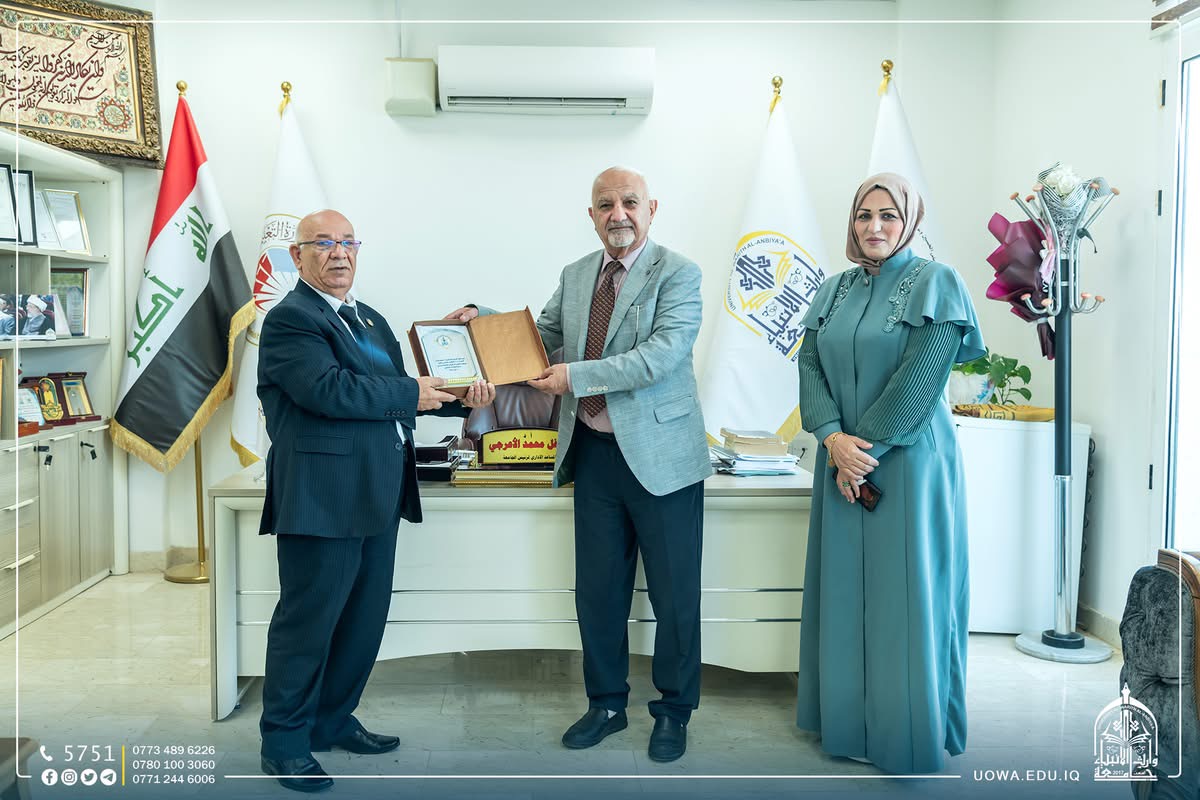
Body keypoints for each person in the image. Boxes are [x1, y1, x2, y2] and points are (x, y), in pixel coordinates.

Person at [446, 166, 711, 762]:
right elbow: (539, 337)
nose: (618, 214)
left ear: (652, 209)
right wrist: (480, 319)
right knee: (598, 591)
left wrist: (575, 377)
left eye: (629, 202)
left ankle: (674, 711)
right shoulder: (575, 274)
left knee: (674, 596)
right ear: (591, 215)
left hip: (663, 459)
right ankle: (606, 704)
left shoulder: (679, 273)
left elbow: (660, 356)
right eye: (605, 204)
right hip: (592, 454)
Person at [256, 209, 494, 793]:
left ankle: (332, 721)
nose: (339, 253)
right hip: (322, 497)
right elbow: (329, 390)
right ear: (298, 256)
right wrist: (411, 391)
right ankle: (283, 743)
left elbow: (401, 392)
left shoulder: (369, 318)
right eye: (323, 243)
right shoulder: (291, 320)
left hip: (378, 491)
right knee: (308, 623)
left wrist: (464, 395)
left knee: (362, 622)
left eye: (348, 242)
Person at [795, 173, 985, 774]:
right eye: (863, 215)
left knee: (905, 594)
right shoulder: (833, 290)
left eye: (888, 215)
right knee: (844, 591)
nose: (873, 227)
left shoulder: (937, 282)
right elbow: (809, 366)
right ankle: (846, 724)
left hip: (907, 465)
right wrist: (832, 439)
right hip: (841, 461)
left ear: (910, 221)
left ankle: (906, 733)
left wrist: (861, 452)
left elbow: (922, 377)